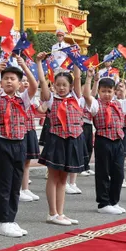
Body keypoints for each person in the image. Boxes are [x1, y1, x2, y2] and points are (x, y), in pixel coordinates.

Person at [0, 60, 38, 235]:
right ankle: (3, 221)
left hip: (20, 143)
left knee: (16, 183)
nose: (9, 81)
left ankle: (11, 218)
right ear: (1, 82)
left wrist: (24, 67)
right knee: (3, 182)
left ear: (19, 83)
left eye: (13, 79)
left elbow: (34, 86)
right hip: (3, 143)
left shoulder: (23, 99)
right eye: (6, 78)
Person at [36, 55, 85, 225]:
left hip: (72, 140)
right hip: (56, 140)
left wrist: (76, 58)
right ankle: (52, 213)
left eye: (65, 85)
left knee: (63, 179)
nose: (62, 88)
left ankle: (61, 213)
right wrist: (39, 63)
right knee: (53, 176)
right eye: (58, 85)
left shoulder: (76, 97)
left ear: (70, 86)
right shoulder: (51, 99)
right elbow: (43, 81)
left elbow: (77, 77)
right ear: (54, 85)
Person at [83, 73, 126, 215]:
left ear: (114, 91)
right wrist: (90, 79)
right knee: (103, 173)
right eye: (103, 91)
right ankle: (103, 203)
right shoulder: (96, 104)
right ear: (99, 91)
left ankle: (114, 201)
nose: (106, 94)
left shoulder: (120, 103)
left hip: (118, 141)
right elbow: (87, 96)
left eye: (109, 91)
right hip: (103, 140)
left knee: (118, 173)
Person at [18, 73, 41, 202]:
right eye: (23, 81)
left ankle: (25, 188)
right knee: (20, 161)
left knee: (27, 161)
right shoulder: (19, 97)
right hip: (21, 131)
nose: (26, 83)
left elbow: (41, 109)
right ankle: (18, 189)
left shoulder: (32, 98)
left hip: (30, 129)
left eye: (27, 80)